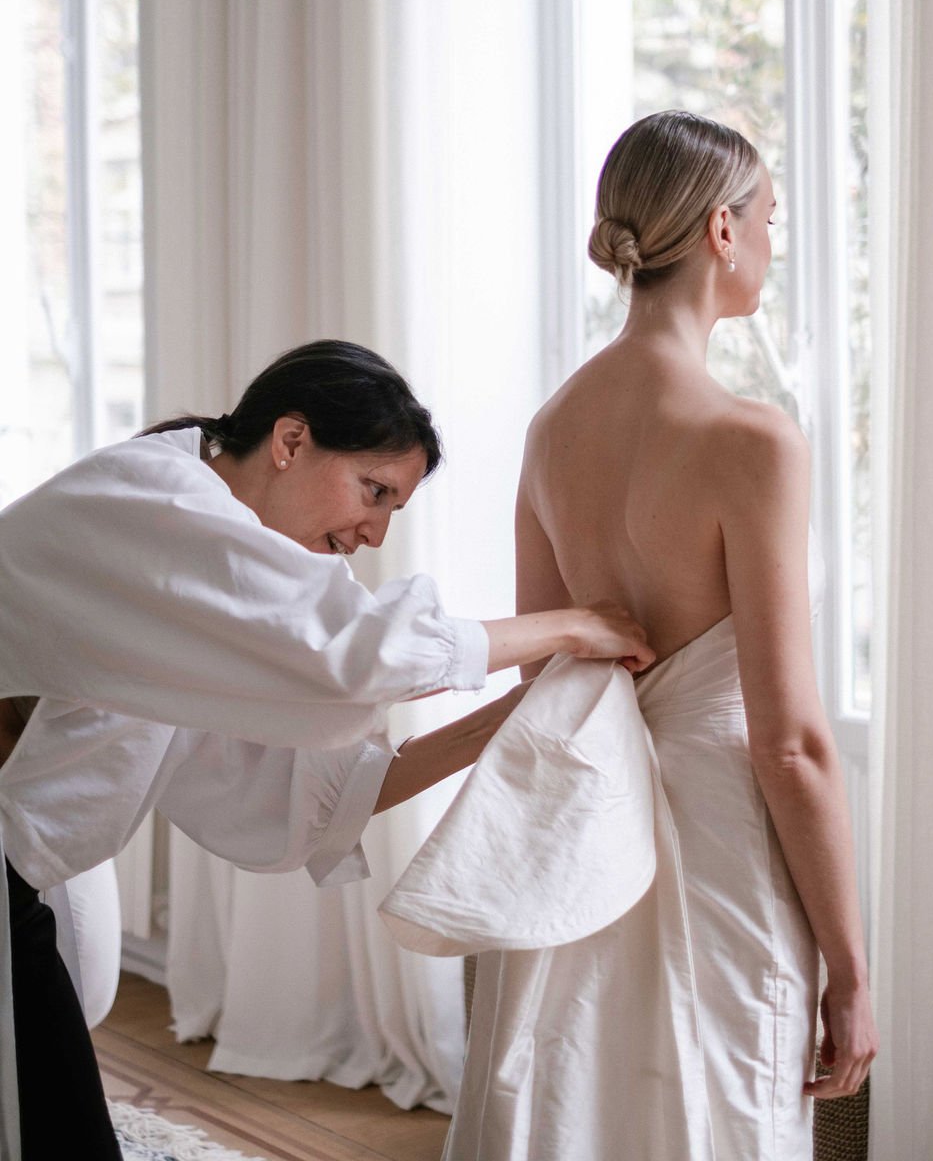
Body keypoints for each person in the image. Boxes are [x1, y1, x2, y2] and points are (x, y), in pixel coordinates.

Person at [0, 338, 651, 1161]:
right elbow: (354, 652)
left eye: (393, 511)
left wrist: (513, 714)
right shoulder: (157, 503)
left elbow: (311, 789)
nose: (371, 533)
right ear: (291, 441)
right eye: (373, 491)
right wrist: (574, 623)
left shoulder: (217, 594)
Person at [381, 114, 878, 1159]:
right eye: (769, 220)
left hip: (578, 818)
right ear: (719, 232)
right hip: (716, 832)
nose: (773, 245)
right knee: (717, 1105)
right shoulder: (752, 441)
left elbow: (548, 665)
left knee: (576, 1100)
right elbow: (789, 744)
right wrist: (851, 969)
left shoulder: (552, 429)